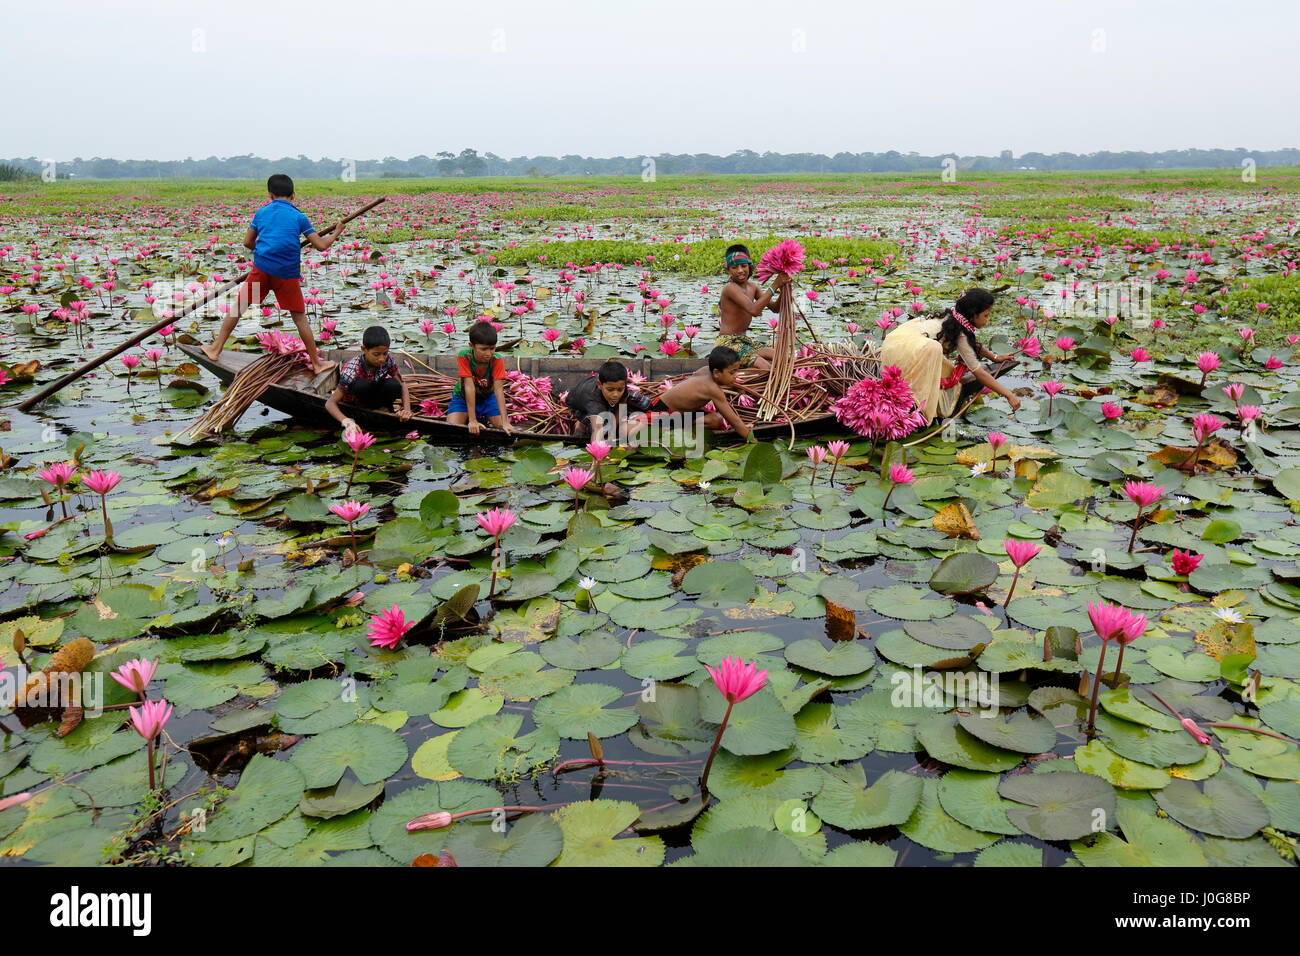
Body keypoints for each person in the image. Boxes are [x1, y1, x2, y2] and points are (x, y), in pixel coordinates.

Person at [203, 174, 340, 374]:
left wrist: (265, 248)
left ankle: (215, 349)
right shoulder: (298, 216)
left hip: (262, 269)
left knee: (239, 307)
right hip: (286, 273)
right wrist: (337, 231)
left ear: (270, 194)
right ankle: (317, 364)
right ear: (293, 195)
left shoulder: (261, 213)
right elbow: (320, 245)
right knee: (299, 318)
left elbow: (247, 243)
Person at [881, 287, 1020, 424]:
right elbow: (978, 372)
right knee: (939, 369)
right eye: (986, 315)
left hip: (896, 344)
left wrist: (994, 357)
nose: (987, 320)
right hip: (908, 353)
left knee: (941, 363)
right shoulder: (960, 334)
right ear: (973, 314)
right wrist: (1008, 395)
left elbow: (973, 344)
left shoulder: (953, 319)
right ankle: (921, 410)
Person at [630, 346, 751, 441]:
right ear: (717, 373)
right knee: (717, 420)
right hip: (663, 412)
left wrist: (736, 386)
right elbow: (733, 420)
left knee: (715, 418)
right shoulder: (713, 389)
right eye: (732, 373)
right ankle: (674, 429)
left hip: (669, 406)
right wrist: (752, 440)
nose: (736, 375)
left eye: (737, 371)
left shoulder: (705, 370)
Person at [325, 325, 413, 437]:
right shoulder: (352, 369)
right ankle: (367, 410)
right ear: (364, 349)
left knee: (394, 385)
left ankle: (384, 408)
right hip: (358, 401)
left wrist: (407, 410)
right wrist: (346, 421)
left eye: (385, 353)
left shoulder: (388, 360)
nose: (381, 359)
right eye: (376, 354)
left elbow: (402, 384)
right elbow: (330, 403)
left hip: (375, 396)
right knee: (362, 385)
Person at [717, 244, 790, 370]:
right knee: (766, 368)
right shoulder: (730, 288)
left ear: (749, 266)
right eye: (735, 267)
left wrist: (784, 288)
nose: (740, 271)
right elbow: (754, 310)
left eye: (744, 266)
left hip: (745, 342)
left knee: (781, 357)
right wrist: (775, 285)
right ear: (728, 270)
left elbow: (775, 308)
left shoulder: (753, 287)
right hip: (728, 345)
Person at [447, 321, 511, 436]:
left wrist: (505, 422)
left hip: (487, 398)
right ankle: (471, 417)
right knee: (452, 428)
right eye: (483, 349)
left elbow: (498, 391)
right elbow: (469, 387)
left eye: (492, 348)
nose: (489, 353)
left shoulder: (497, 360)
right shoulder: (464, 356)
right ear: (471, 346)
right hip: (462, 398)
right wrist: (472, 420)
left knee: (504, 429)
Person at [565, 360, 653, 443]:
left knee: (645, 403)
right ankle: (581, 425)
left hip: (606, 400)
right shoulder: (593, 400)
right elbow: (597, 429)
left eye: (620, 389)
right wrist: (598, 455)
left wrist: (613, 433)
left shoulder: (620, 386)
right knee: (603, 432)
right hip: (580, 407)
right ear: (600, 385)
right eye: (610, 390)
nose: (616, 394)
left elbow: (622, 404)